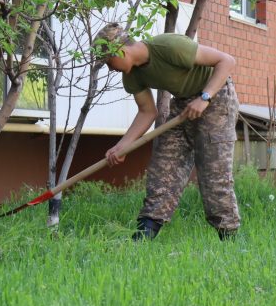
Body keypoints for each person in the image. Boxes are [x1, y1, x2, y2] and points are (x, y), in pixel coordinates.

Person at [94, 23, 240, 241]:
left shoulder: (170, 46)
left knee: (213, 173)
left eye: (108, 62)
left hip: (215, 98)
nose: (109, 68)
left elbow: (227, 61)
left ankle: (230, 239)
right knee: (164, 166)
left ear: (121, 51)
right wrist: (122, 145)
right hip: (183, 105)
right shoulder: (132, 75)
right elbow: (147, 111)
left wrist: (204, 98)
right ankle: (143, 237)